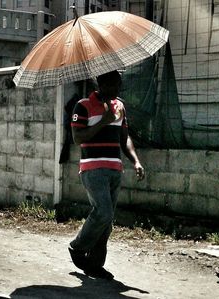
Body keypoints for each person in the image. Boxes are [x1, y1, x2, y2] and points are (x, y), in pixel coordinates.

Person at [68, 70, 145, 280]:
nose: (117, 90)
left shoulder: (120, 106)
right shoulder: (82, 105)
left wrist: (136, 161)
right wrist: (104, 120)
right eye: (113, 85)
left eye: (118, 85)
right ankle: (77, 247)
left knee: (107, 219)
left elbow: (124, 138)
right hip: (93, 168)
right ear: (100, 84)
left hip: (114, 169)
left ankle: (95, 264)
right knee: (103, 212)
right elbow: (77, 137)